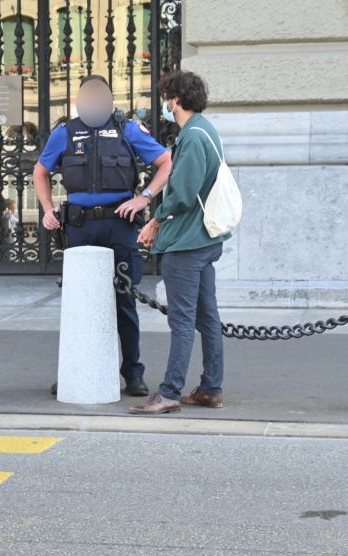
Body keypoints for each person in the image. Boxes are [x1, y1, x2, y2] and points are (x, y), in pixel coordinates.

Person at [35, 74, 173, 397]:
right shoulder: (65, 133)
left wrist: (145, 197)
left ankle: (132, 374)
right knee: (78, 304)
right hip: (80, 228)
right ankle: (75, 368)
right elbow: (40, 171)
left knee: (124, 302)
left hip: (119, 227)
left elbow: (165, 162)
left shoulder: (127, 129)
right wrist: (47, 209)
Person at [131, 71, 228, 415]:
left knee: (183, 321)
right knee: (207, 317)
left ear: (175, 99)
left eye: (166, 97)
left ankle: (169, 391)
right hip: (204, 240)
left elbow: (183, 195)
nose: (164, 104)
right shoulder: (207, 130)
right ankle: (210, 388)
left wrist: (155, 221)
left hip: (186, 242)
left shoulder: (192, 136)